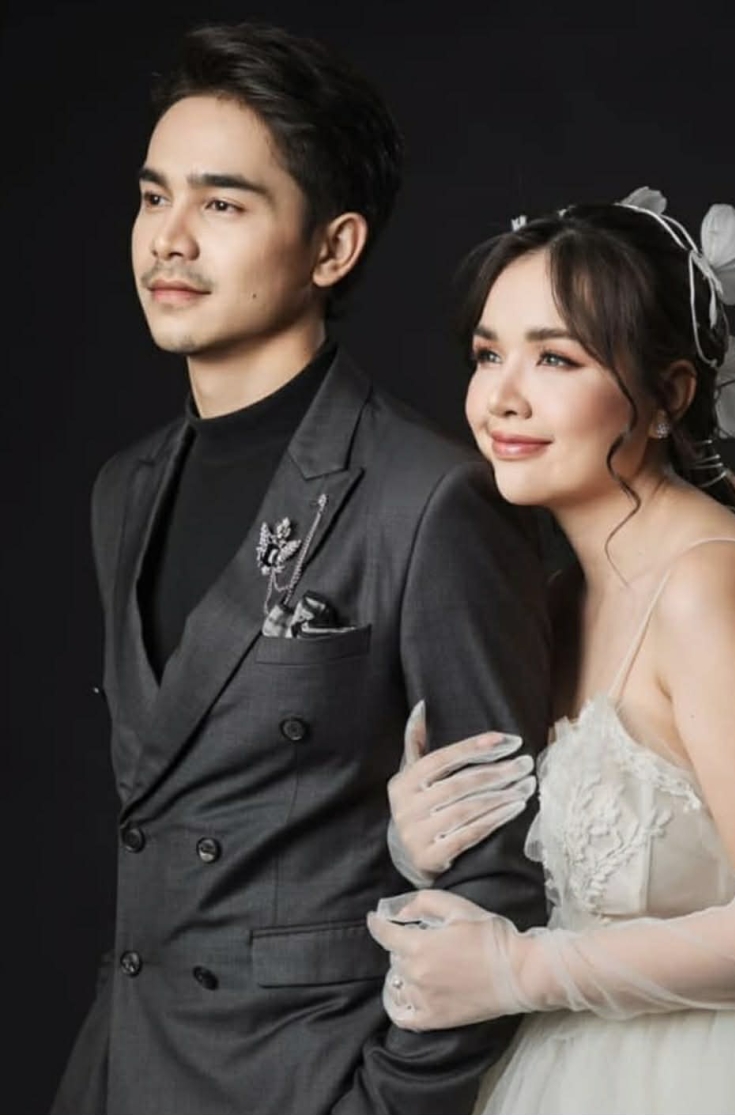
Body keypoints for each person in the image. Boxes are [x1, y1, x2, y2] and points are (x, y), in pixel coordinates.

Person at [50, 22, 551, 1115]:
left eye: (222, 205)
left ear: (332, 248)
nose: (168, 239)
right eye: (152, 196)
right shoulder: (123, 489)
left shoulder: (429, 498)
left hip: (301, 1079)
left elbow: (502, 865)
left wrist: (383, 1101)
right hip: (118, 1066)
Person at [368, 189, 735, 1115]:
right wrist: (421, 839)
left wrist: (521, 969)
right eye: (489, 353)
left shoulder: (708, 586)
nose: (501, 397)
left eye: (556, 357)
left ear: (669, 396)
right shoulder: (558, 597)